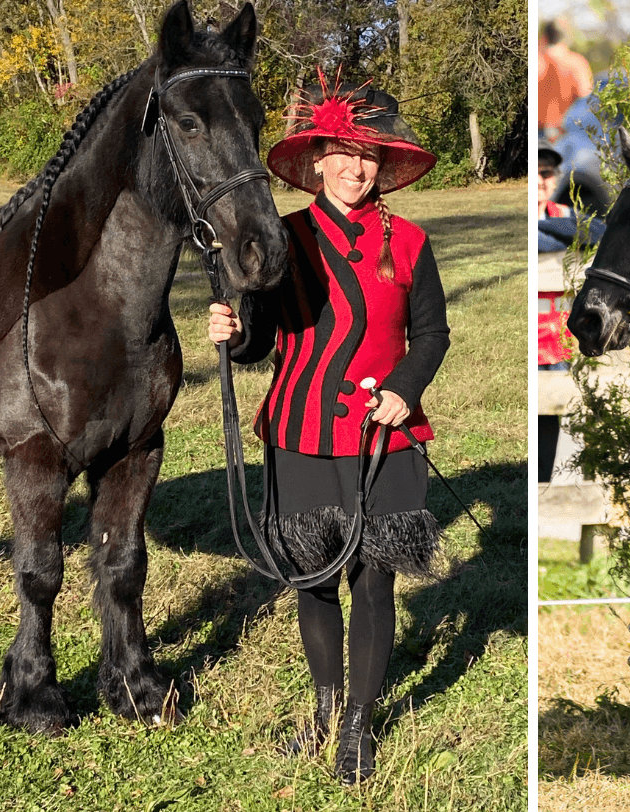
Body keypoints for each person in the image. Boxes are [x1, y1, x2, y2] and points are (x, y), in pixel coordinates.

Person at [207, 77, 448, 785]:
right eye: (341, 154)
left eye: (368, 156)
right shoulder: (284, 238)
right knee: (314, 580)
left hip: (384, 436)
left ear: (384, 167)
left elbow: (431, 331)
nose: (354, 168)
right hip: (300, 431)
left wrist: (406, 389)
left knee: (373, 586)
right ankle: (320, 712)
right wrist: (234, 331)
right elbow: (260, 341)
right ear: (316, 162)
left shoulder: (408, 240)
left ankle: (357, 726)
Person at [538, 19, 593, 139]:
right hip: (562, 134)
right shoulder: (576, 63)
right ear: (566, 37)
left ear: (544, 36)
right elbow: (585, 100)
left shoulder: (536, 60)